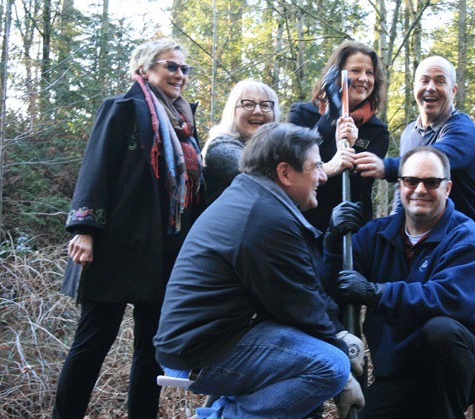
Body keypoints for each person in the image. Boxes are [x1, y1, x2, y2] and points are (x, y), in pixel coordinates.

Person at [154, 122, 365, 418]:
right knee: (329, 366)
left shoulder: (255, 199)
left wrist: (339, 333)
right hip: (200, 351)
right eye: (315, 167)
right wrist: (344, 375)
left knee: (318, 358)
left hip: (216, 336)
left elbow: (303, 292)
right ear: (285, 173)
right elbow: (300, 306)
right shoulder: (264, 218)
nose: (322, 176)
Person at [54, 39, 204, 418]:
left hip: (163, 249)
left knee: (151, 348)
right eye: (171, 66)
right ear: (145, 68)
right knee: (93, 341)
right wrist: (84, 230)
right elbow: (96, 168)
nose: (180, 75)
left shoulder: (184, 121)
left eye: (185, 69)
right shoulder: (122, 109)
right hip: (114, 246)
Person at [322, 147, 475, 418]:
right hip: (401, 367)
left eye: (431, 182)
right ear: (400, 185)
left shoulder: (466, 237)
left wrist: (377, 293)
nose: (420, 190)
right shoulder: (376, 235)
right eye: (411, 181)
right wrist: (334, 241)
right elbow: (335, 284)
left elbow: (450, 299)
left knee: (440, 330)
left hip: (462, 364)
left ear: (448, 188)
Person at [354, 55, 475, 236]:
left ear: (454, 90)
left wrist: (386, 167)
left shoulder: (463, 131)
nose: (431, 88)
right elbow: (403, 191)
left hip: (462, 241)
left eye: (440, 81)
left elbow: (434, 160)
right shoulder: (410, 133)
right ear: (414, 88)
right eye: (424, 81)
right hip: (420, 239)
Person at [287, 40, 390, 236]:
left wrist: (348, 148)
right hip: (303, 224)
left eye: (369, 73)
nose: (363, 78)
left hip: (348, 231)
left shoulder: (376, 131)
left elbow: (358, 185)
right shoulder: (301, 114)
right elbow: (292, 165)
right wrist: (330, 117)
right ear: (337, 75)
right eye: (355, 71)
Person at [202, 79, 280, 206]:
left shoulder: (274, 150)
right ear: (233, 111)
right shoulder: (221, 146)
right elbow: (255, 173)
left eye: (265, 105)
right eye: (248, 104)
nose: (258, 111)